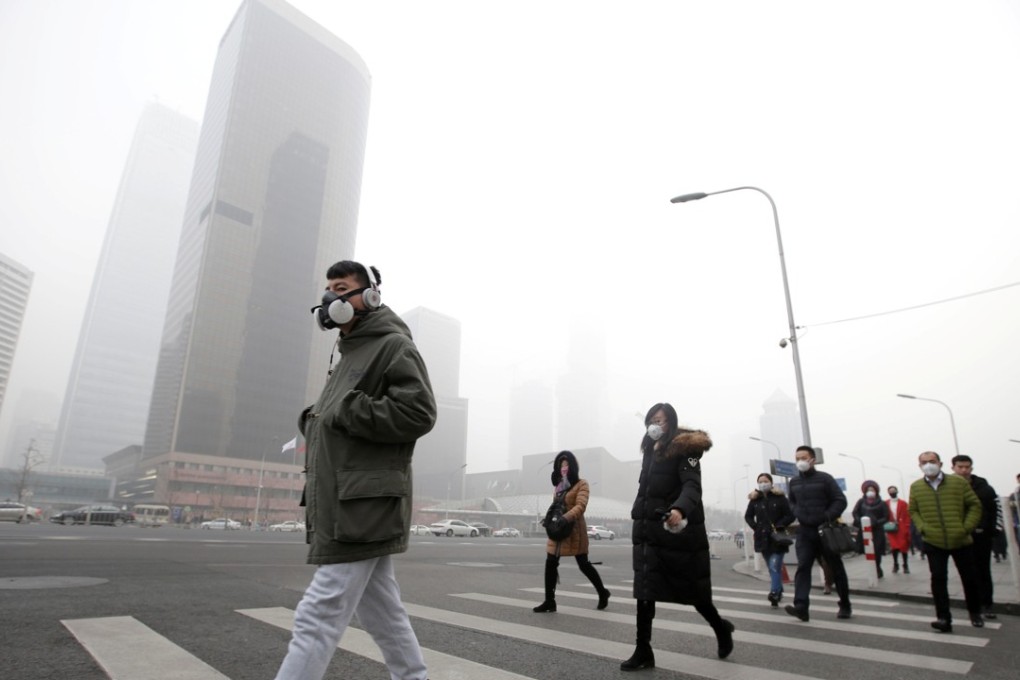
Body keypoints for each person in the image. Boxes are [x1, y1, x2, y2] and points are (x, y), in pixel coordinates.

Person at [274, 261, 437, 680]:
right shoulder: (351, 352)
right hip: (350, 499)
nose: (331, 298)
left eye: (342, 287)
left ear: (368, 296)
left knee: (318, 614)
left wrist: (343, 409)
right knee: (383, 610)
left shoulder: (392, 345)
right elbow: (344, 417)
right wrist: (317, 418)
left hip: (362, 504)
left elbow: (418, 412)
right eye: (328, 289)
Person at [621, 403, 735, 671]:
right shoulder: (650, 450)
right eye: (651, 420)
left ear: (671, 422)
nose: (655, 425)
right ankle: (643, 649)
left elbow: (692, 485)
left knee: (694, 592)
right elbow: (646, 489)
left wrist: (679, 509)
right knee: (645, 589)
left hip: (679, 532)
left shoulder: (688, 450)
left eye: (660, 420)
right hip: (650, 530)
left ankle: (721, 628)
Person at [908, 451, 984, 633]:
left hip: (960, 539)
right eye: (924, 462)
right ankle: (943, 618)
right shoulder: (916, 487)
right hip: (933, 540)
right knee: (938, 579)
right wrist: (923, 527)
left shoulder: (958, 482)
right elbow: (914, 510)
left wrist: (965, 527)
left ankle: (975, 612)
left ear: (940, 463)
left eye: (932, 461)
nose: (928, 465)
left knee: (969, 577)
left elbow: (974, 505)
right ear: (920, 466)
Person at [532, 450, 611, 613]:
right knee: (550, 563)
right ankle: (549, 601)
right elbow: (557, 507)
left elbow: (581, 506)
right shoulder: (559, 486)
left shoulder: (582, 484)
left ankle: (603, 592)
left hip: (574, 530)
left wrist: (566, 518)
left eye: (566, 464)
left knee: (583, 564)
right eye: (561, 465)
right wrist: (549, 520)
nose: (564, 467)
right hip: (557, 530)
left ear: (573, 466)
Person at [785, 445, 852, 622]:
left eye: (804, 458)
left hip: (825, 530)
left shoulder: (825, 479)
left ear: (813, 460)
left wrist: (827, 516)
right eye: (797, 458)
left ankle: (845, 604)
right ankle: (801, 606)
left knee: (835, 567)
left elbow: (840, 501)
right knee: (803, 567)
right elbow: (791, 501)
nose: (800, 461)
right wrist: (797, 512)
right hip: (805, 532)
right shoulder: (794, 482)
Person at [950, 454, 999, 619]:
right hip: (961, 536)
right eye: (960, 467)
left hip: (981, 536)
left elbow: (994, 509)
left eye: (967, 467)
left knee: (983, 570)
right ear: (953, 468)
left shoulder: (983, 487)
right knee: (968, 572)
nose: (964, 470)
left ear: (971, 468)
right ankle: (974, 605)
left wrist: (991, 530)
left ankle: (987, 604)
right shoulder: (948, 487)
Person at [744, 473, 795, 607]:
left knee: (774, 566)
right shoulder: (755, 500)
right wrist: (756, 527)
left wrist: (780, 524)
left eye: (765, 481)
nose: (763, 483)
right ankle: (779, 590)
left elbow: (790, 515)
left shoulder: (780, 498)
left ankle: (774, 593)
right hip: (763, 538)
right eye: (760, 481)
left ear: (771, 483)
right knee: (772, 567)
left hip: (777, 538)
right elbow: (748, 516)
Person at [852, 480, 889, 579]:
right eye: (868, 489)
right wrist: (860, 520)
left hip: (877, 531)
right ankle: (873, 568)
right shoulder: (861, 502)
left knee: (877, 550)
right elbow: (855, 513)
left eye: (872, 489)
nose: (870, 491)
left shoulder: (882, 503)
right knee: (867, 550)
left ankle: (877, 567)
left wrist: (876, 522)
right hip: (864, 530)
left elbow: (886, 516)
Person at [885, 485, 912, 574]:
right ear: (888, 493)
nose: (892, 492)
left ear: (897, 491)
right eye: (890, 491)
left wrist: (907, 526)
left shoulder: (903, 503)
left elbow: (908, 515)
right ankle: (895, 564)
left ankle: (905, 565)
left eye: (894, 490)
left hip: (902, 528)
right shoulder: (885, 503)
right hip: (891, 528)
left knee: (903, 547)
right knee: (894, 547)